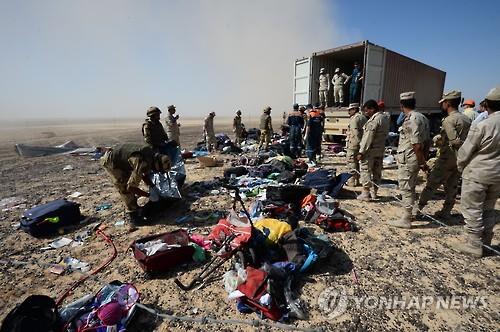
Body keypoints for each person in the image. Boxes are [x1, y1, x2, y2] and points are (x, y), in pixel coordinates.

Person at [451, 87, 500, 257]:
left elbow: (466, 151)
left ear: (486, 105)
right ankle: (486, 242)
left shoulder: (483, 125)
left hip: (478, 173)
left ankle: (474, 244)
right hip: (497, 175)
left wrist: (460, 166)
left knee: (472, 210)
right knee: (488, 208)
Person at [417, 90, 471, 218]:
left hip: (447, 157)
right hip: (460, 158)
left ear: (447, 103)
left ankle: (416, 210)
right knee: (452, 185)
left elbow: (454, 141)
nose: (442, 105)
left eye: (443, 103)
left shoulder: (448, 120)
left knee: (431, 184)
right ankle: (446, 211)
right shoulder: (466, 119)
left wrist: (438, 141)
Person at [101, 144, 171, 229]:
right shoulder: (141, 161)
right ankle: (134, 217)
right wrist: (149, 195)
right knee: (125, 188)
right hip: (112, 162)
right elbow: (130, 187)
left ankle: (136, 209)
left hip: (123, 160)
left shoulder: (151, 156)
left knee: (130, 180)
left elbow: (144, 173)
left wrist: (152, 186)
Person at [387, 91, 430, 229]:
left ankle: (406, 219)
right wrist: (424, 159)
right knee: (410, 187)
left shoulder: (411, 119)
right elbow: (427, 142)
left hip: (409, 158)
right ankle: (409, 214)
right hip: (414, 158)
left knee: (406, 187)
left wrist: (422, 162)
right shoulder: (422, 117)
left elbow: (416, 144)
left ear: (401, 105)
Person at [356, 99, 390, 200]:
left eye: (367, 111)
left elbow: (368, 137)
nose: (366, 113)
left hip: (370, 151)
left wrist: (361, 152)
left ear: (372, 109)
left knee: (366, 170)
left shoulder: (374, 120)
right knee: (377, 171)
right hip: (379, 149)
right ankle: (374, 192)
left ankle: (366, 193)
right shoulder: (384, 118)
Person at [346, 103, 367, 186]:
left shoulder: (355, 119)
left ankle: (352, 181)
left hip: (354, 143)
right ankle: (357, 180)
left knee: (351, 162)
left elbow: (355, 133)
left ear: (354, 109)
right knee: (357, 163)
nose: (348, 112)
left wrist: (358, 143)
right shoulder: (363, 117)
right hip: (361, 143)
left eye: (350, 110)